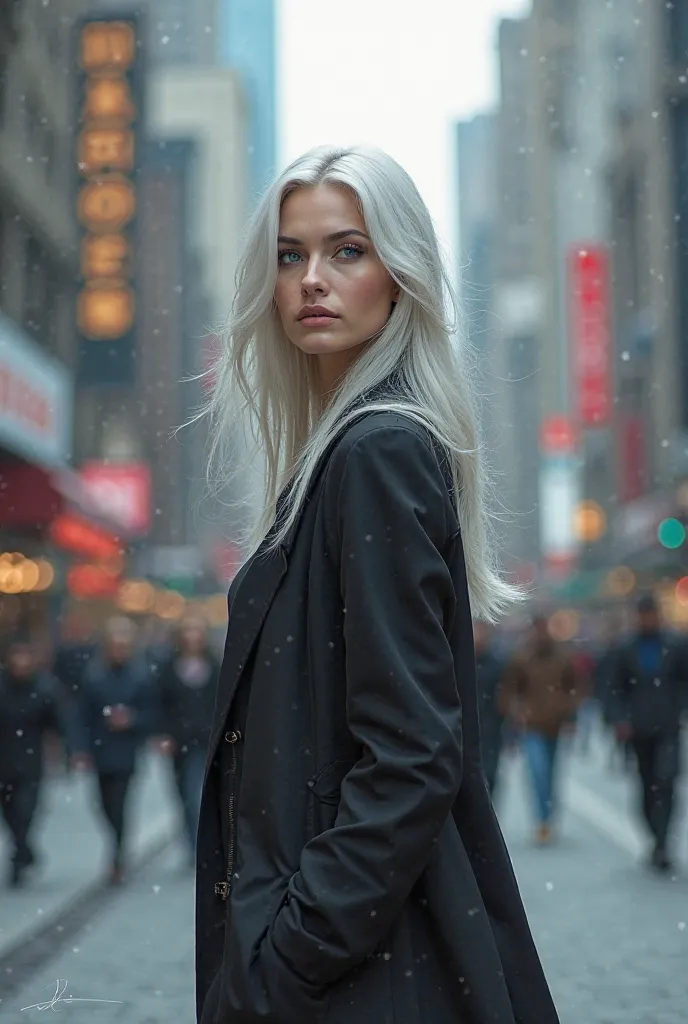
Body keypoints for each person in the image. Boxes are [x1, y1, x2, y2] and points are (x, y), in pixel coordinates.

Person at [194, 145, 559, 1024]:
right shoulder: (341, 453)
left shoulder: (378, 451)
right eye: (291, 255)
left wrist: (286, 958)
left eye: (347, 250)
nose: (312, 278)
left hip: (367, 972)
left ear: (401, 276)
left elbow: (411, 754)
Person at [71, 617, 155, 884]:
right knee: (103, 804)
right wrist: (79, 749)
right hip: (100, 749)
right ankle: (117, 844)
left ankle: (118, 854)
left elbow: (152, 713)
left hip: (126, 751)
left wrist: (132, 720)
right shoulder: (94, 675)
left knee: (119, 803)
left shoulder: (141, 676)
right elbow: (82, 714)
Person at [611, 594, 687, 871]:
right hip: (638, 729)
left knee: (666, 782)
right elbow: (614, 689)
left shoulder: (675, 645)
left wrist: (679, 707)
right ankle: (655, 835)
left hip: (668, 726)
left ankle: (663, 842)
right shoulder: (625, 648)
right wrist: (620, 719)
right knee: (646, 786)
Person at [499, 615, 584, 845]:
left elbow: (575, 687)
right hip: (532, 727)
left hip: (555, 725)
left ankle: (548, 818)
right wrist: (516, 711)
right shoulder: (521, 658)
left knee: (551, 774)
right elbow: (508, 690)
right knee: (538, 773)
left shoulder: (563, 657)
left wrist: (568, 710)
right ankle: (542, 820)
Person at [0, 637, 65, 886]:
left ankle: (19, 858)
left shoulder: (44, 687)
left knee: (25, 811)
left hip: (30, 762)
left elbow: (57, 721)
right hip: (4, 762)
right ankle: (24, 851)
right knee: (10, 814)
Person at [156, 616, 219, 864]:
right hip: (179, 742)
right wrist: (163, 733)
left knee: (202, 794)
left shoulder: (215, 666)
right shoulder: (168, 669)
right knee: (184, 794)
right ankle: (192, 843)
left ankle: (203, 845)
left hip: (207, 739)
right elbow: (160, 704)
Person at [473, 620, 506, 797]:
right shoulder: (460, 662)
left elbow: (504, 697)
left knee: (490, 774)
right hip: (466, 728)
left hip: (491, 729)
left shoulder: (496, 663)